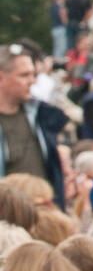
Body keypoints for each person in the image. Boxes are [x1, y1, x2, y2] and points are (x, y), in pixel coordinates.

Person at [0, 45, 68, 208]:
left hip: (44, 211)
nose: (32, 81)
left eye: (33, 74)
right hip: (7, 216)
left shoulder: (42, 116)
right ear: (1, 78)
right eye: (24, 75)